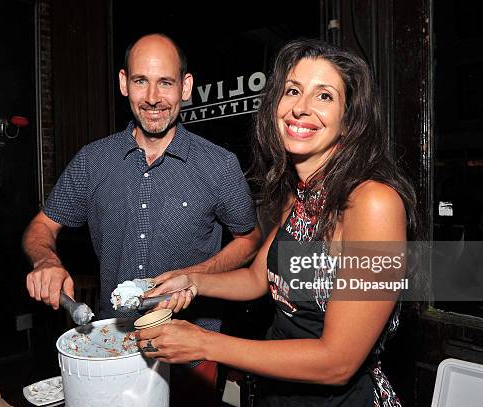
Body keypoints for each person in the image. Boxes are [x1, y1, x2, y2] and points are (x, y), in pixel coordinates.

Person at [138, 39, 418, 406]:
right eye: (292, 90)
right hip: (280, 395)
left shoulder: (374, 203)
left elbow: (339, 362)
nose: (301, 108)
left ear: (350, 120)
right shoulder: (301, 193)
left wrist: (204, 342)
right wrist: (191, 279)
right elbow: (257, 279)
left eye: (324, 96)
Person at [22, 33, 261, 406]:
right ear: (123, 83)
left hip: (192, 351)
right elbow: (41, 227)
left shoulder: (219, 165)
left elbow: (249, 240)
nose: (152, 97)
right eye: (140, 81)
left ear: (185, 87)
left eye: (165, 82)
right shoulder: (93, 161)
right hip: (113, 348)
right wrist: (46, 260)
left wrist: (198, 276)